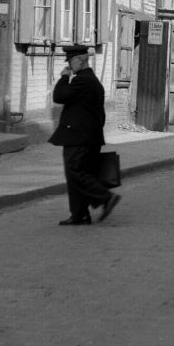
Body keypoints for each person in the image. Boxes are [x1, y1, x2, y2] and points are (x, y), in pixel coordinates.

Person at [49, 45, 121, 226]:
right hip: (87, 137)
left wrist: (64, 78)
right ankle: (79, 214)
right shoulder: (92, 81)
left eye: (71, 62)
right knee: (78, 174)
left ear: (79, 61)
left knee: (75, 172)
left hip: (79, 137)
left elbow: (59, 96)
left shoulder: (83, 81)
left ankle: (105, 198)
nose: (69, 67)